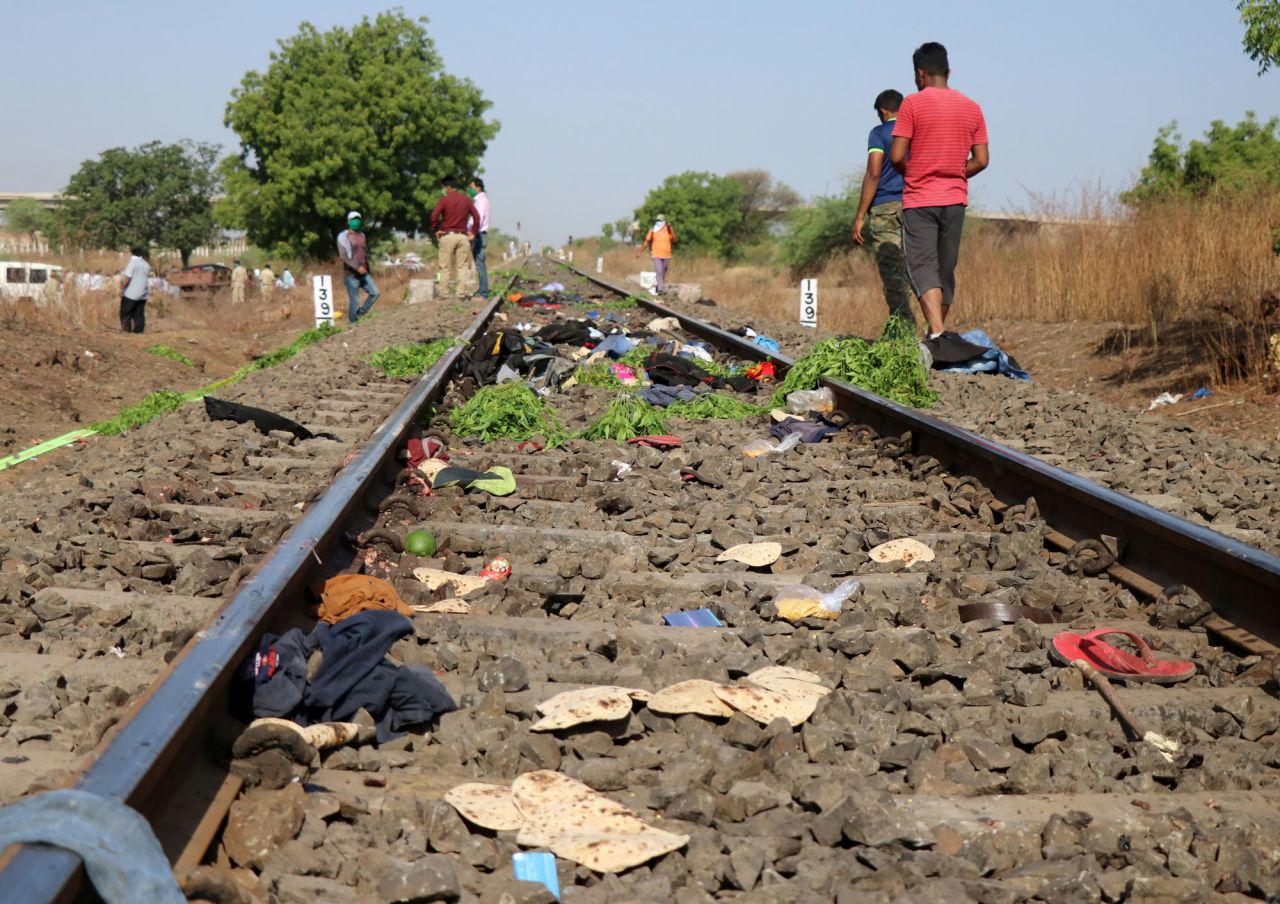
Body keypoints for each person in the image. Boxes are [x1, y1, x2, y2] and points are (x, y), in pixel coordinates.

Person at [888, 41, 989, 342]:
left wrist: (916, 173)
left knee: (922, 266)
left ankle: (936, 331)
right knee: (946, 267)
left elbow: (896, 156)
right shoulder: (972, 107)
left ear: (920, 74)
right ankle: (937, 335)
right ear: (948, 71)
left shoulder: (912, 104)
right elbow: (982, 160)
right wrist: (957, 172)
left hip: (921, 199)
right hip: (955, 199)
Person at [852, 89, 916, 327]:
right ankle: (933, 331)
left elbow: (873, 173)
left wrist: (860, 215)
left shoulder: (879, 133)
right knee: (916, 268)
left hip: (885, 207)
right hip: (915, 206)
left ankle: (903, 330)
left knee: (892, 273)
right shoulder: (915, 130)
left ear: (883, 111)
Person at [430, 176, 480, 298]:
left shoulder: (444, 200)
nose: (443, 190)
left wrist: (436, 230)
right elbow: (477, 217)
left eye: (443, 187)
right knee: (462, 267)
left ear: (447, 187)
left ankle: (444, 294)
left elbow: (434, 216)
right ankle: (460, 293)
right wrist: (473, 232)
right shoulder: (466, 200)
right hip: (463, 237)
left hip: (448, 236)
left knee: (445, 267)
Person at [337, 211, 380, 322]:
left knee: (375, 293)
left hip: (364, 273)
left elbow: (364, 254)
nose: (356, 221)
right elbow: (343, 256)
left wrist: (367, 270)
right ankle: (352, 324)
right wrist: (357, 267)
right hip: (351, 274)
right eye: (353, 219)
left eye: (357, 219)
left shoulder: (362, 235)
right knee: (355, 301)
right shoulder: (343, 236)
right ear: (348, 222)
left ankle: (359, 314)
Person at [640, 214, 677, 294]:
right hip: (656, 254)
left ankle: (658, 286)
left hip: (667, 255)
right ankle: (660, 289)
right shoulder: (653, 230)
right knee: (659, 271)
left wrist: (671, 229)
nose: (659, 222)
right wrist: (640, 251)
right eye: (657, 221)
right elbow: (647, 241)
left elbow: (674, 239)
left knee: (663, 272)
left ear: (664, 221)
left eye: (660, 221)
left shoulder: (667, 230)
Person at [119, 246, 151, 333]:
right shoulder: (146, 264)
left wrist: (121, 289)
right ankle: (138, 333)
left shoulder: (133, 263)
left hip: (131, 294)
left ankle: (126, 331)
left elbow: (126, 279)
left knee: (125, 313)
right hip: (143, 295)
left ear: (132, 253)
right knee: (139, 314)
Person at [468, 177, 491, 298]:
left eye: (471, 187)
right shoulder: (480, 200)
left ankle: (483, 292)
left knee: (479, 263)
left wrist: (472, 232)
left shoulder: (481, 200)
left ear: (478, 187)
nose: (469, 190)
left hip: (478, 234)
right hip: (478, 233)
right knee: (479, 263)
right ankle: (482, 290)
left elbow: (479, 218)